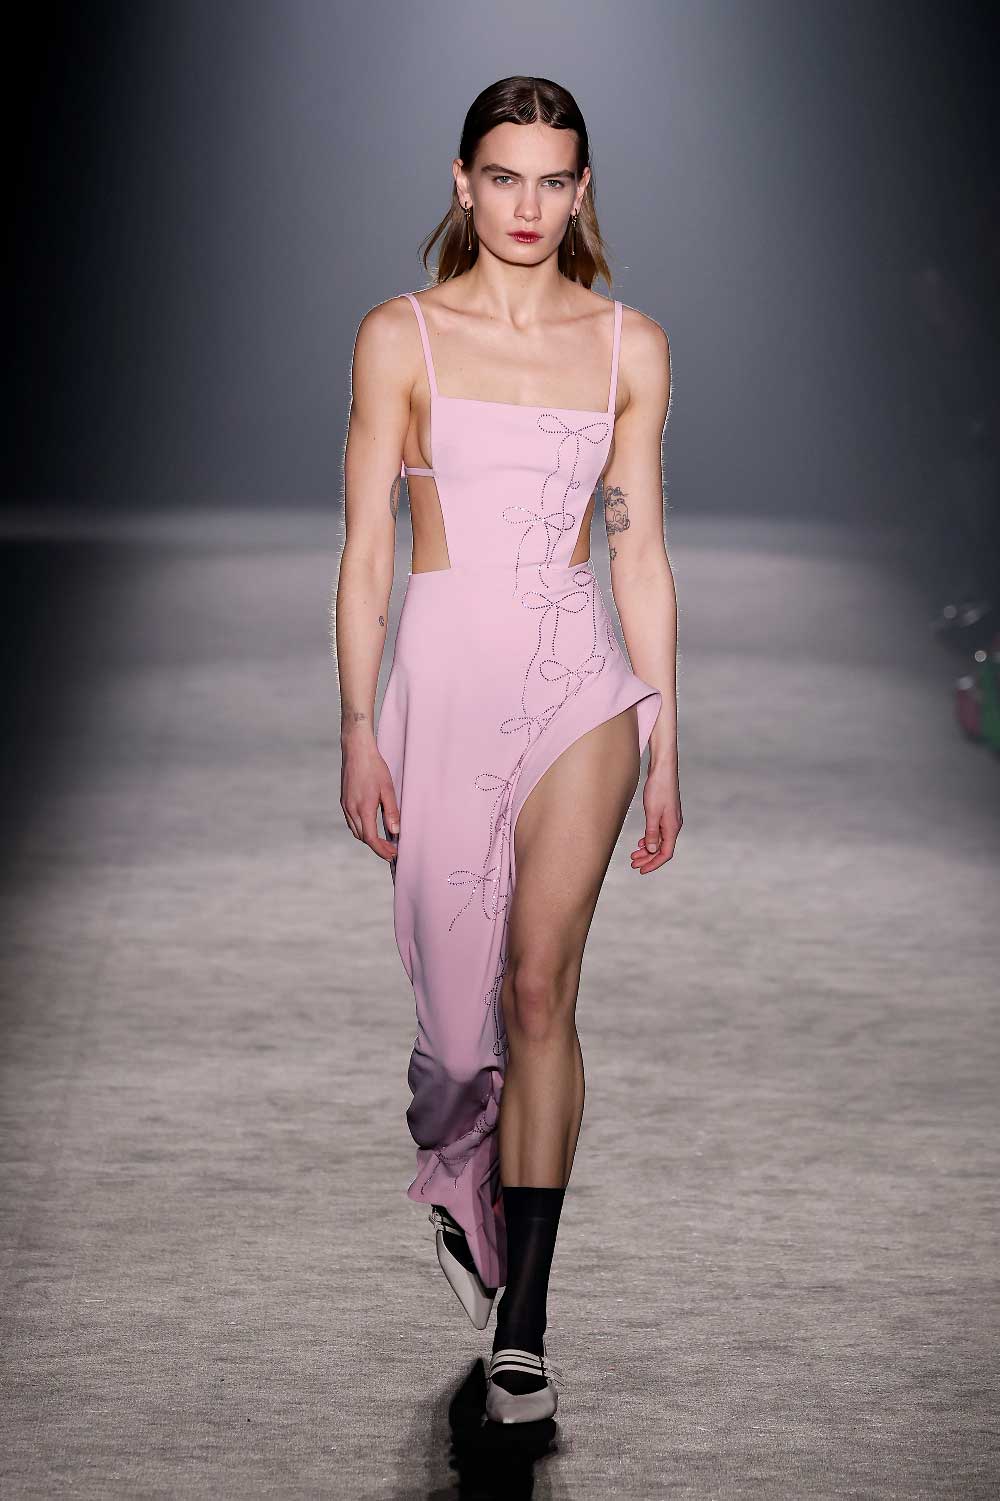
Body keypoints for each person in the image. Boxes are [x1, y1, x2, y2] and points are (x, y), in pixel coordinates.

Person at [335, 75, 680, 1425]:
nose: (527, 205)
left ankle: (522, 1325)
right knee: (454, 1049)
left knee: (539, 992)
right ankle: (458, 1173)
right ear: (463, 183)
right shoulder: (400, 336)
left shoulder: (628, 346)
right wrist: (357, 721)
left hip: (580, 687)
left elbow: (637, 550)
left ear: (581, 190)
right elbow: (368, 552)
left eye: (553, 180)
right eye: (503, 177)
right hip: (443, 685)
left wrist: (665, 732)